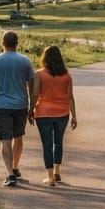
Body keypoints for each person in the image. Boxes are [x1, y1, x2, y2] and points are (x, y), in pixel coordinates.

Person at [0, 31, 35, 186]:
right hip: (21, 105)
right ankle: (15, 167)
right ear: (17, 43)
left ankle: (10, 174)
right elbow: (31, 84)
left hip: (2, 105)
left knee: (5, 140)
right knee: (18, 137)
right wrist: (31, 105)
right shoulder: (25, 61)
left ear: (2, 43)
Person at [30, 45, 78, 186]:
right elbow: (70, 97)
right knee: (58, 142)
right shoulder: (66, 75)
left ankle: (50, 177)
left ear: (44, 58)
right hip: (62, 113)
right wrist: (74, 116)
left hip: (43, 112)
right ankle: (57, 171)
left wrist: (30, 110)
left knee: (47, 143)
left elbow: (34, 94)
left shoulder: (39, 74)